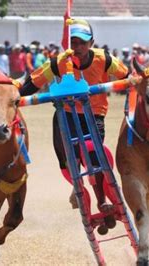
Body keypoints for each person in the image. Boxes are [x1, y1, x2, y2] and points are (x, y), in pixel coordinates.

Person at [19, 19, 129, 213]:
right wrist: (13, 98)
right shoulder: (59, 62)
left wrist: (132, 86)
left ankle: (101, 200)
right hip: (66, 114)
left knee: (95, 156)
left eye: (82, 43)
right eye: (73, 43)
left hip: (94, 115)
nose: (77, 47)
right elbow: (33, 83)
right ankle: (76, 186)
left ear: (91, 43)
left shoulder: (104, 59)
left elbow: (126, 76)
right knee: (66, 156)